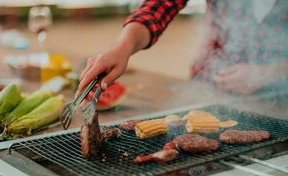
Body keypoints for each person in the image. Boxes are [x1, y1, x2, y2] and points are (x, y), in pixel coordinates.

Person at [76, 0, 288, 103]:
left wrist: (271, 72)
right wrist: (122, 47)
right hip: (208, 88)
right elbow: (157, 7)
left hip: (279, 102)